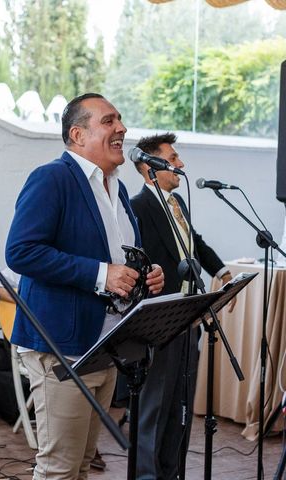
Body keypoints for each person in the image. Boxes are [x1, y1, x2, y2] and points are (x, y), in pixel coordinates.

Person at [5, 93, 164, 480]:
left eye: (120, 120)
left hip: (105, 344)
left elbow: (120, 257)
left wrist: (145, 273)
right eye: (109, 121)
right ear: (78, 134)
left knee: (80, 466)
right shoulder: (52, 178)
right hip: (62, 347)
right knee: (59, 469)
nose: (122, 129)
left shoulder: (118, 189)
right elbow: (21, 252)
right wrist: (100, 273)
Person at [130, 132, 233, 480]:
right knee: (155, 404)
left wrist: (222, 271)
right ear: (150, 167)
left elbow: (195, 243)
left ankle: (171, 472)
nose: (180, 165)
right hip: (161, 318)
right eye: (172, 159)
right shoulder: (137, 207)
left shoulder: (179, 204)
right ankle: (147, 474)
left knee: (181, 403)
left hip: (190, 314)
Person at [0, 267, 108, 470]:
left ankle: (78, 445)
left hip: (80, 344)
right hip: (40, 348)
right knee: (59, 463)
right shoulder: (30, 263)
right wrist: (26, 299)